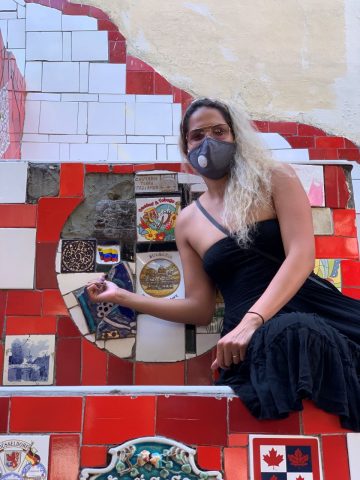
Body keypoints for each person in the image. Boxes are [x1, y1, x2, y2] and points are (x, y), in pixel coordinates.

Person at [87, 97, 360, 431]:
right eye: (198, 135)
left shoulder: (274, 178)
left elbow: (301, 256)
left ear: (236, 137)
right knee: (291, 334)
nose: (209, 142)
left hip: (309, 309)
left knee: (300, 329)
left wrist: (251, 322)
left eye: (219, 131)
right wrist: (121, 297)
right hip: (251, 339)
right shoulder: (187, 221)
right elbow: (199, 308)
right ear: (185, 145)